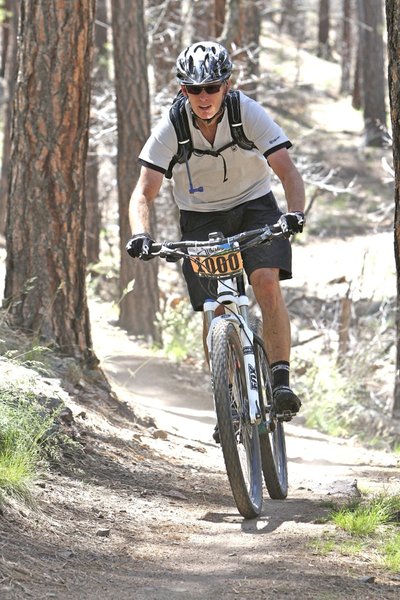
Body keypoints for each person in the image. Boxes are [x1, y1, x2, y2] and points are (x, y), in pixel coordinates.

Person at [126, 41, 305, 420]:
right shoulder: (172, 127)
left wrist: (295, 213)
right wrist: (141, 234)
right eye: (194, 89)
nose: (203, 97)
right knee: (217, 307)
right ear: (183, 90)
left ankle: (280, 380)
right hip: (202, 217)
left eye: (211, 87)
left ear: (226, 86)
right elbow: (143, 191)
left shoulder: (246, 112)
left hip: (255, 206)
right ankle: (228, 404)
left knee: (265, 281)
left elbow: (287, 171)